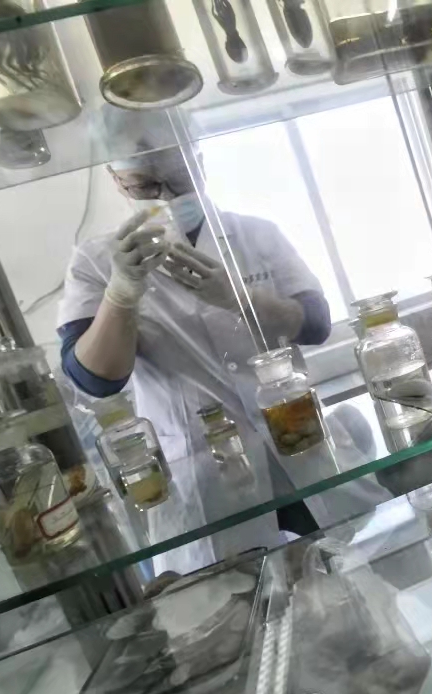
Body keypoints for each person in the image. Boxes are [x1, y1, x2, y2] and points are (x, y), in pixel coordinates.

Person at [56, 114, 340, 568]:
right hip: (203, 473)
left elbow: (317, 324)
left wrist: (239, 298)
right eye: (145, 186)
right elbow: (95, 380)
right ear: (117, 180)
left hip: (296, 438)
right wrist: (121, 292)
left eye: (179, 178)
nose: (167, 197)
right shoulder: (96, 260)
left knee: (339, 565)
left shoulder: (256, 234)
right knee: (233, 596)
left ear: (199, 163)